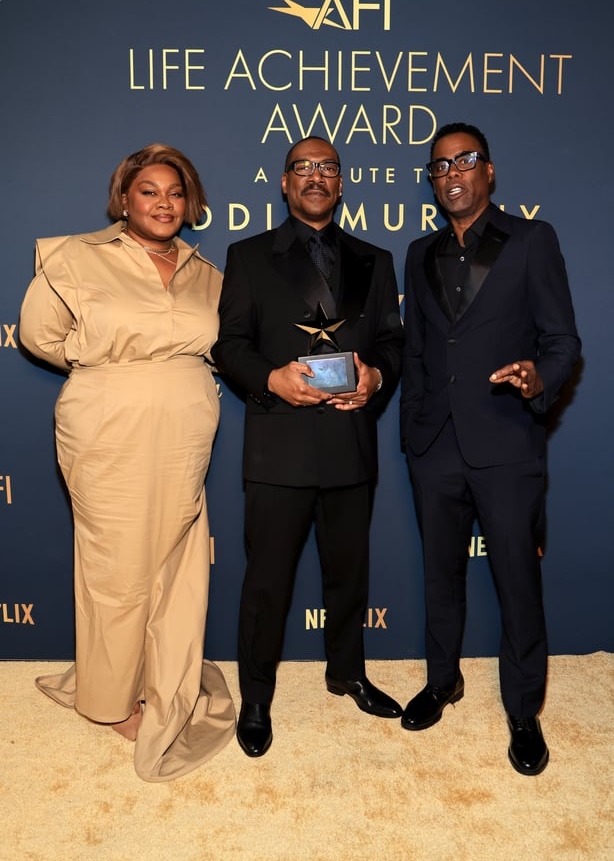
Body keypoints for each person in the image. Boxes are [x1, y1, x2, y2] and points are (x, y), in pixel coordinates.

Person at [19, 143, 235, 782]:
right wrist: (109, 366)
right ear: (123, 199)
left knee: (174, 561)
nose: (164, 203)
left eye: (175, 192)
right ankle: (110, 700)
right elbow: (38, 335)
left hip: (186, 431)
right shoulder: (75, 257)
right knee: (115, 563)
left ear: (190, 204)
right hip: (106, 426)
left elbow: (225, 346)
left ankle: (164, 680)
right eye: (149, 191)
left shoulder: (207, 272)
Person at [212, 135, 404, 757]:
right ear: (285, 182)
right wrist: (271, 379)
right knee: (267, 582)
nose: (315, 176)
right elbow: (230, 344)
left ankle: (347, 673)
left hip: (350, 441)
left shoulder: (376, 259)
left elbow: (393, 342)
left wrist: (377, 377)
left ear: (341, 184)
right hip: (279, 446)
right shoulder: (248, 256)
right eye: (303, 167)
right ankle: (257, 698)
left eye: (327, 168)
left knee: (349, 576)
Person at [400, 122, 580, 775]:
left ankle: (524, 710)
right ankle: (442, 679)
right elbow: (419, 350)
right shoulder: (419, 252)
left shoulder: (532, 240)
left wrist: (538, 379)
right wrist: (412, 433)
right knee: (439, 575)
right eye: (440, 165)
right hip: (435, 445)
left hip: (506, 440)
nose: (452, 173)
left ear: (489, 170)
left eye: (465, 159)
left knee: (516, 581)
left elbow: (562, 342)